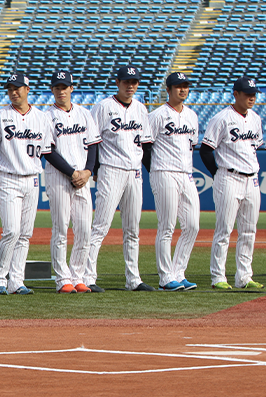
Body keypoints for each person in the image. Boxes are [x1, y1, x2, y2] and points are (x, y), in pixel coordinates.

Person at [72, 66, 155, 292]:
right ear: (117, 82)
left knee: (133, 229)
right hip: (111, 170)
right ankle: (88, 277)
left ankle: (133, 279)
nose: (131, 85)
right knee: (100, 226)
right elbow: (92, 141)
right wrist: (95, 169)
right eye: (126, 81)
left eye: (134, 82)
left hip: (134, 172)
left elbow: (145, 144)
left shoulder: (141, 108)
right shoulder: (103, 107)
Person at [0, 73, 53, 295]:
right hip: (8, 178)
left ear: (27, 89)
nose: (14, 92)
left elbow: (45, 150)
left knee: (25, 233)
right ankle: (0, 279)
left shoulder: (42, 118)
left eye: (18, 87)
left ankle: (17, 280)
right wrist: (1, 171)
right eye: (10, 88)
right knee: (11, 231)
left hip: (32, 178)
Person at [200, 76, 263, 290]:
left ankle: (244, 277)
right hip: (229, 177)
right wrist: (217, 173)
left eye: (254, 94)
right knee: (224, 230)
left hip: (251, 179)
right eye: (247, 94)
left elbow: (254, 146)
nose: (251, 98)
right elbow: (206, 150)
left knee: (249, 230)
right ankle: (218, 276)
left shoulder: (255, 118)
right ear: (236, 94)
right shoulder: (222, 118)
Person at [42, 71, 100, 294]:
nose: (61, 90)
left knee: (85, 228)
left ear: (71, 88)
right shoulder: (46, 117)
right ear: (52, 90)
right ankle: (62, 278)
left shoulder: (84, 114)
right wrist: (71, 173)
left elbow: (93, 145)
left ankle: (78, 276)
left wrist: (87, 171)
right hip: (59, 176)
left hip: (82, 178)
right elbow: (48, 150)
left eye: (64, 86)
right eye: (57, 87)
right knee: (61, 228)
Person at [146, 72, 200, 291]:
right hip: (164, 172)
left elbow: (191, 145)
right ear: (168, 89)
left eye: (185, 86)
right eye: (178, 86)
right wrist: (155, 171)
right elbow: (146, 146)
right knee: (167, 226)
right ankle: (165, 277)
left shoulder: (192, 115)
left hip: (186, 173)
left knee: (193, 225)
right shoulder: (157, 115)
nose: (182, 89)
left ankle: (179, 271)